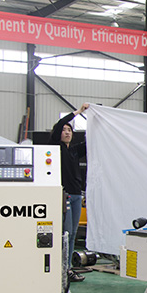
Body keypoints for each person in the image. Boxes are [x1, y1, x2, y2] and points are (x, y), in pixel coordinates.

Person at [50, 103, 89, 283]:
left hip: (76, 195)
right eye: (64, 130)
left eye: (69, 130)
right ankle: (61, 268)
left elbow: (90, 143)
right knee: (65, 233)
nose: (67, 132)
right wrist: (79, 112)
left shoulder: (73, 151)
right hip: (64, 195)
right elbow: (60, 123)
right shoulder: (55, 148)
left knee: (72, 234)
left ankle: (68, 269)